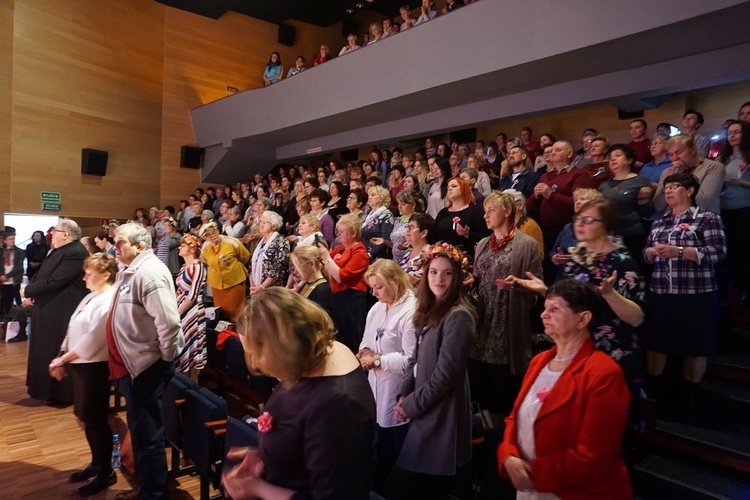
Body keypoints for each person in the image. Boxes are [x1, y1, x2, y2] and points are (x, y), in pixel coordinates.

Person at [222, 288, 376, 500]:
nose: (255, 363)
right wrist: (267, 456)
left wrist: (258, 488)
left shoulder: (338, 405)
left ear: (283, 347)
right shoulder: (308, 362)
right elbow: (303, 442)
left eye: (256, 352)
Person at [497, 279, 631, 499]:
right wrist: (508, 456)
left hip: (573, 492)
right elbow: (515, 418)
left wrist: (533, 474)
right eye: (544, 308)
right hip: (531, 489)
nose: (543, 315)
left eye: (554, 309)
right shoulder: (539, 361)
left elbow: (594, 455)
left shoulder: (604, 373)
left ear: (583, 319)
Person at [513, 199, 646, 384]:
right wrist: (544, 290)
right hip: (573, 352)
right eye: (578, 218)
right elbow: (568, 301)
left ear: (605, 225)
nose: (579, 224)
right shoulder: (575, 258)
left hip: (609, 357)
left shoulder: (622, 262)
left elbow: (636, 318)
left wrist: (609, 294)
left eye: (589, 220)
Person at [387, 243, 475, 500]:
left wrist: (411, 405)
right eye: (434, 272)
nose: (439, 278)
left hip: (439, 412)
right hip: (422, 405)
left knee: (408, 486)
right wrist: (404, 395)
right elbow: (414, 358)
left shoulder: (459, 316)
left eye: (447, 273)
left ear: (457, 277)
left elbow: (445, 376)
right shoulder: (427, 310)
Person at [109, 222, 182, 499]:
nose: (116, 247)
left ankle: (153, 492)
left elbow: (169, 323)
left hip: (147, 366)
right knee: (140, 429)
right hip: (135, 365)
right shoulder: (129, 271)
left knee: (147, 432)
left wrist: (163, 358)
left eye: (121, 242)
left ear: (140, 245)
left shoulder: (149, 272)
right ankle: (148, 485)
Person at [644, 173, 726, 409]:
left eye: (674, 187)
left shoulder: (706, 218)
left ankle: (690, 396)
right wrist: (650, 253)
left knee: (695, 344)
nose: (668, 191)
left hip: (696, 293)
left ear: (690, 191)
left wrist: (679, 251)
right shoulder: (660, 222)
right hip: (662, 290)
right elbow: (646, 251)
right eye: (666, 188)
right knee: (657, 342)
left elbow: (718, 252)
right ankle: (653, 392)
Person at [48, 253, 119, 496]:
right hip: (80, 364)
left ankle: (107, 471)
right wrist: (62, 352)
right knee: (86, 417)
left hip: (95, 367)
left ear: (106, 274)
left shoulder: (110, 300)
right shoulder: (91, 295)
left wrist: (62, 359)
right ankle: (97, 463)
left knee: (96, 420)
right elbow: (73, 325)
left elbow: (93, 340)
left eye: (90, 273)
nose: (85, 277)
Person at [471, 192, 543, 418]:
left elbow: (537, 288)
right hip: (481, 323)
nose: (485, 215)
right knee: (479, 388)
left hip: (506, 325)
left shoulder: (526, 244)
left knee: (502, 391)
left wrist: (519, 285)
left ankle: (502, 436)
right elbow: (477, 279)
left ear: (508, 211)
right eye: (485, 211)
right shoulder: (482, 243)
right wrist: (468, 281)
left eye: (491, 210)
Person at [359, 260, 418, 492]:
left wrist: (378, 360)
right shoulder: (377, 307)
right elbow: (366, 340)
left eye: (379, 287)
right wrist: (364, 352)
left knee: (390, 447)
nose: (374, 293)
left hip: (396, 388)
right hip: (374, 383)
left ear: (395, 281)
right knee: (375, 441)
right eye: (372, 287)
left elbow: (410, 360)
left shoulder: (411, 312)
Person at [23, 218, 89, 404]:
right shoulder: (60, 251)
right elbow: (42, 273)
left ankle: (60, 393)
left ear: (66, 234)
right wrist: (31, 290)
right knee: (43, 349)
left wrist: (28, 290)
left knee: (54, 348)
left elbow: (55, 281)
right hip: (49, 307)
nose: (51, 235)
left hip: (61, 310)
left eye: (55, 231)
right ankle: (45, 390)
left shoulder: (75, 252)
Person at [527, 140, 595, 273]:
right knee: (548, 268)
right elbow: (530, 206)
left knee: (566, 269)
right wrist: (534, 196)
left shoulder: (578, 175)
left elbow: (579, 205)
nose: (553, 152)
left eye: (557, 150)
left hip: (568, 232)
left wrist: (550, 194)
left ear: (569, 153)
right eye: (552, 150)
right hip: (545, 231)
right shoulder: (545, 177)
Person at [318, 214, 370, 352]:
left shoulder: (360, 252)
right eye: (337, 231)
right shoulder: (339, 250)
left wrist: (327, 259)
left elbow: (342, 276)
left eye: (342, 231)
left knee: (350, 335)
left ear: (353, 233)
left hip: (351, 298)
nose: (338, 234)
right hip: (337, 295)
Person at [598, 143, 654, 260]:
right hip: (609, 234)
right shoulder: (604, 185)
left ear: (629, 160)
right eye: (610, 157)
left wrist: (644, 199)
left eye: (618, 155)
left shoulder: (639, 181)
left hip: (632, 234)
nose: (612, 159)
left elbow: (648, 212)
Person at [653, 134, 725, 215]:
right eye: (671, 155)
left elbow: (704, 202)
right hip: (672, 222)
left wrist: (678, 178)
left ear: (693, 149)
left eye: (679, 152)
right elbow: (658, 206)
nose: (675, 158)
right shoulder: (666, 173)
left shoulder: (713, 167)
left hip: (702, 220)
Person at [720, 120, 750, 308]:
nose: (732, 136)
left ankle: (746, 290)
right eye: (729, 132)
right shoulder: (722, 159)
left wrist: (740, 183)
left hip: (745, 208)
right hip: (725, 208)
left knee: (744, 250)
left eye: (736, 132)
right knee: (729, 251)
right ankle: (735, 291)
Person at [199, 221, 250, 321]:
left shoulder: (232, 242)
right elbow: (204, 260)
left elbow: (245, 256)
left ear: (218, 230)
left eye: (214, 232)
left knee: (236, 313)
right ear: (205, 238)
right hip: (216, 285)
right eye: (208, 235)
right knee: (221, 313)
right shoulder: (206, 247)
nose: (212, 236)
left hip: (234, 282)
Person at [174, 234, 207, 380]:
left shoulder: (198, 267)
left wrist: (177, 313)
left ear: (192, 249)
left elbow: (192, 296)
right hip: (181, 306)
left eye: (184, 245)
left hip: (192, 310)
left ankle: (192, 383)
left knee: (192, 343)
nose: (180, 247)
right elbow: (179, 290)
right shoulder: (183, 267)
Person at [434, 177, 489, 255]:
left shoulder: (475, 212)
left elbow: (485, 238)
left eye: (454, 186)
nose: (449, 189)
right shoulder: (442, 213)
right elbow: (435, 237)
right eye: (448, 187)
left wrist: (467, 234)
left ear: (464, 189)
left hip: (467, 259)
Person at [548, 188, 602, 266]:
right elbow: (553, 251)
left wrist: (572, 258)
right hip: (565, 273)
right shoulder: (568, 227)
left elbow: (602, 256)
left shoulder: (599, 226)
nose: (578, 202)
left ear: (594, 203)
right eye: (576, 200)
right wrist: (555, 257)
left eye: (582, 199)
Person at [249, 211, 290, 296]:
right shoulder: (260, 242)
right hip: (256, 288)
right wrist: (252, 286)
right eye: (260, 222)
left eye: (264, 222)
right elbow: (251, 265)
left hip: (272, 291)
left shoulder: (281, 242)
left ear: (274, 226)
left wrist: (262, 287)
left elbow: (278, 269)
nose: (261, 224)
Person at [503, 189, 544, 258]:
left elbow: (538, 256)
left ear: (520, 205)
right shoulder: (505, 225)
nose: (503, 208)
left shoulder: (530, 226)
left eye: (507, 204)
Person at [290, 245, 332, 312]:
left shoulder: (322, 289)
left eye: (298, 266)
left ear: (312, 264)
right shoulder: (307, 284)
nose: (295, 271)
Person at [400, 213, 435, 288]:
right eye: (407, 226)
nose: (407, 230)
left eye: (412, 227)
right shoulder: (408, 253)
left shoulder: (429, 253)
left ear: (424, 233)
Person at [362, 186, 395, 261]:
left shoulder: (386, 215)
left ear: (381, 198)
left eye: (373, 195)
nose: (369, 197)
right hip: (364, 254)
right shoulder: (369, 215)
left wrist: (369, 255)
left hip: (376, 258)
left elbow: (384, 240)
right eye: (369, 195)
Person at [0, 229, 25, 318]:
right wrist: (2, 276)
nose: (12, 241)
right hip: (3, 280)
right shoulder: (1, 251)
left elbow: (18, 267)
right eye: (10, 239)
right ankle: (6, 316)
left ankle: (20, 316)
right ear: (5, 241)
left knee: (17, 298)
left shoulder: (20, 252)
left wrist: (7, 276)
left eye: (13, 239)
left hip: (14, 279)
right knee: (5, 299)